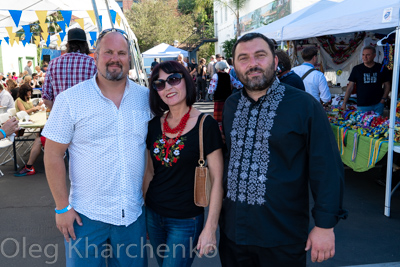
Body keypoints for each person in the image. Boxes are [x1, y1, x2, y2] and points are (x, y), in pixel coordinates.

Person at [219, 33, 347, 266]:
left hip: (283, 235)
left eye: (260, 56)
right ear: (235, 66)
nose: (253, 64)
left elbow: (326, 168)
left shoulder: (304, 106)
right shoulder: (231, 105)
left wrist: (324, 225)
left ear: (275, 62)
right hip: (234, 234)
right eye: (243, 58)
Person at [42, 28, 151, 266]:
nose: (115, 58)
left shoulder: (145, 98)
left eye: (122, 53)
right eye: (108, 52)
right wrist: (62, 208)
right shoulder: (71, 99)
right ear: (95, 55)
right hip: (85, 217)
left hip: (132, 216)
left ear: (129, 58)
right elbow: (52, 155)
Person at [144, 60, 223, 266]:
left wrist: (210, 228)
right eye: (159, 84)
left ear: (186, 81)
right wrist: (143, 214)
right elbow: (149, 173)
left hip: (186, 220)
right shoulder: (153, 125)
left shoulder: (206, 125)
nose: (167, 87)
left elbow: (217, 181)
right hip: (153, 215)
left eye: (173, 79)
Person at [42, 28, 97, 110]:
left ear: (67, 44)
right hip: (87, 117)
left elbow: (46, 98)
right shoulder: (93, 63)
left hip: (61, 118)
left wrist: (58, 113)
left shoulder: (53, 63)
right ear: (85, 44)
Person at [341, 45, 390, 115]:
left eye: (368, 55)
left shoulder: (381, 68)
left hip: (378, 104)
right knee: (363, 125)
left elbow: (387, 85)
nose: (365, 57)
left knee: (377, 125)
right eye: (363, 55)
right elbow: (350, 87)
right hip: (362, 105)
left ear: (374, 55)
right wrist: (344, 103)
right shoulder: (357, 69)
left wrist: (383, 99)